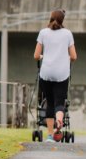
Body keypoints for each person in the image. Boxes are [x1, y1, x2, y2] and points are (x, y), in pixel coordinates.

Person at [33, 8, 77, 141]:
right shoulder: (68, 34)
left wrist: (44, 56)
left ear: (50, 18)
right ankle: (59, 121)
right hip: (62, 74)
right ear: (63, 20)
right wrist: (64, 58)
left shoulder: (43, 33)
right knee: (59, 102)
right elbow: (74, 56)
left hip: (46, 73)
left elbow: (36, 56)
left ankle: (50, 135)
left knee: (50, 103)